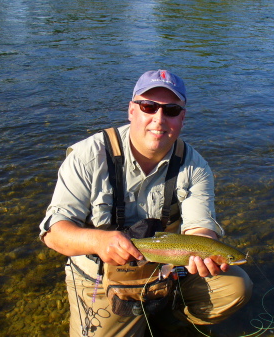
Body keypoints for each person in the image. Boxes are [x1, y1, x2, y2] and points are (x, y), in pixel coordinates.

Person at [39, 69, 253, 336]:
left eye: (171, 110)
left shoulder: (196, 167)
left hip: (168, 270)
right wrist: (99, 241)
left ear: (182, 118)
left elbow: (200, 228)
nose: (159, 119)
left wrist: (202, 249)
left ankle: (173, 313)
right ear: (131, 110)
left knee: (235, 287)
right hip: (100, 276)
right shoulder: (87, 156)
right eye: (148, 107)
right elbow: (53, 234)